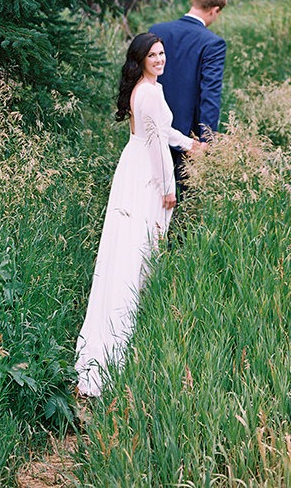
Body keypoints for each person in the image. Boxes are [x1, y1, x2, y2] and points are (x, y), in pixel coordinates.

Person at [75, 32, 202, 398]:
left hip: (132, 165)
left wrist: (191, 144)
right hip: (146, 173)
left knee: (128, 247)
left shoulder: (143, 89)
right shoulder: (149, 92)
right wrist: (169, 188)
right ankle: (116, 347)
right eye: (152, 55)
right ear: (140, 59)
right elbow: (157, 145)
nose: (160, 59)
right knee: (137, 250)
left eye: (162, 53)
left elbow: (161, 133)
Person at [149, 0, 227, 197]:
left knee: (151, 193)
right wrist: (207, 140)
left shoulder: (157, 31)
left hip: (151, 124)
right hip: (187, 134)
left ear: (194, 2)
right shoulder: (213, 43)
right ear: (215, 10)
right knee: (186, 200)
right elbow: (210, 93)